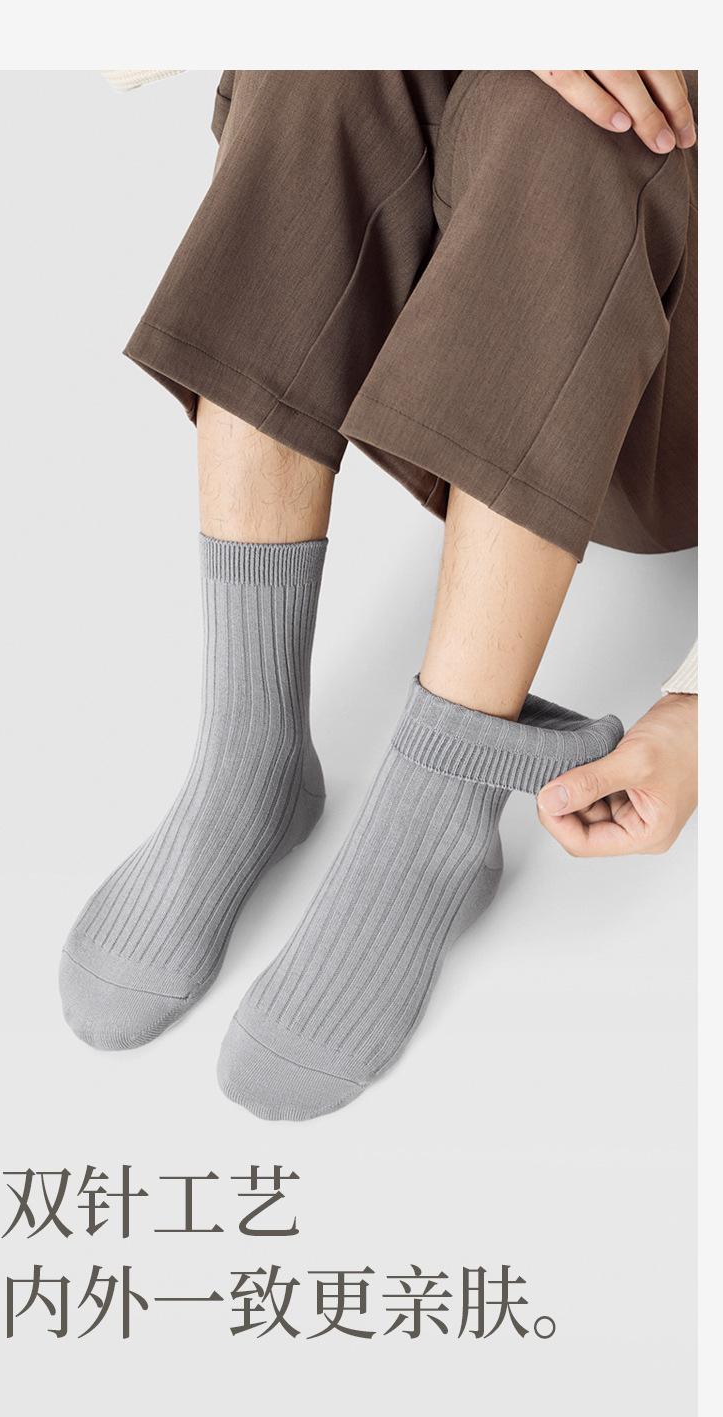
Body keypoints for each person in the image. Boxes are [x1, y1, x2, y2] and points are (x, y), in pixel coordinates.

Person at [60, 70, 698, 1120]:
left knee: (590, 122)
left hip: (656, 395)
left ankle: (437, 815)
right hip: (487, 266)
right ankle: (249, 754)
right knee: (325, 57)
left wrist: (701, 707)